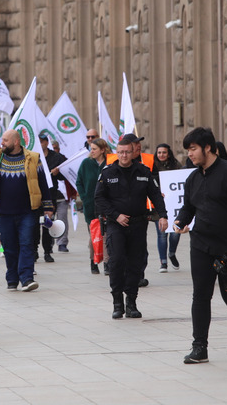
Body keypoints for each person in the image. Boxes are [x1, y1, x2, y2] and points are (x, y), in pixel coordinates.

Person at [170, 127, 227, 363]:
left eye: (193, 149)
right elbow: (189, 206)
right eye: (188, 150)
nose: (190, 154)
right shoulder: (193, 177)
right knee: (200, 296)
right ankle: (200, 347)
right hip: (200, 244)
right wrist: (181, 220)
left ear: (207, 148)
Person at [95, 136, 168, 319]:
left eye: (127, 151)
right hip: (116, 225)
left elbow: (156, 195)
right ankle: (117, 302)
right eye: (120, 152)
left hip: (137, 224)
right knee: (117, 261)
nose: (124, 155)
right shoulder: (108, 173)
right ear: (116, 153)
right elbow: (99, 199)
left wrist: (163, 216)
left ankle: (132, 303)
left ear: (133, 151)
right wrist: (115, 215)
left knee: (135, 264)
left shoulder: (143, 171)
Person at [0, 129, 53, 292]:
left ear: (16, 142)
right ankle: (12, 278)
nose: (2, 143)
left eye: (5, 140)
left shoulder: (33, 158)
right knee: (9, 246)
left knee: (27, 243)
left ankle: (27, 278)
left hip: (28, 210)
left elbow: (43, 183)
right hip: (5, 211)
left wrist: (48, 207)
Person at [76, 138, 110, 274]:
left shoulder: (110, 163)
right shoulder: (86, 163)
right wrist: (84, 198)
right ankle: (93, 261)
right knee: (94, 235)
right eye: (91, 149)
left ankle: (107, 264)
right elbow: (79, 182)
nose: (92, 151)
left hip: (106, 205)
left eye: (95, 149)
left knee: (107, 235)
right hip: (90, 205)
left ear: (103, 150)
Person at [152, 143, 183, 273]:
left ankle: (171, 253)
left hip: (174, 205)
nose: (161, 155)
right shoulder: (152, 168)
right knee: (162, 234)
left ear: (168, 153)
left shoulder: (177, 166)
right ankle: (163, 262)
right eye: (159, 152)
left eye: (164, 152)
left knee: (175, 233)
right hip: (159, 206)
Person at [41, 134, 69, 257]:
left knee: (48, 222)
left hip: (50, 194)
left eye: (42, 141)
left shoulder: (56, 157)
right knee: (33, 224)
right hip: (36, 195)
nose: (40, 144)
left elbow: (65, 175)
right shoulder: (33, 157)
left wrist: (58, 173)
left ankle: (48, 251)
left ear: (47, 143)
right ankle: (34, 252)